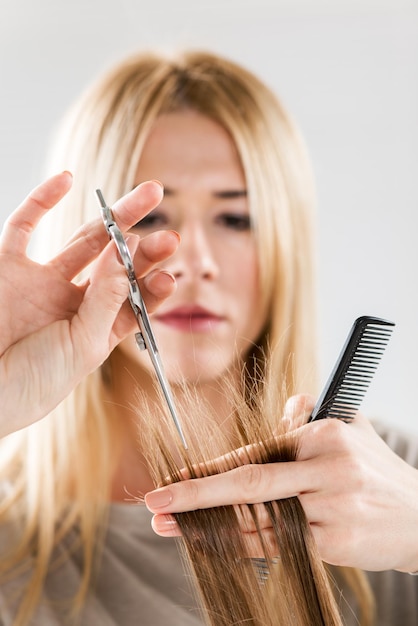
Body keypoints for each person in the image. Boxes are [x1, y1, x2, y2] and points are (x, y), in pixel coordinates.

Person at [0, 49, 417, 626]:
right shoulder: (9, 536)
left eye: (235, 219)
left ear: (283, 246)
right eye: (148, 221)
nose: (193, 261)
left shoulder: (391, 483)